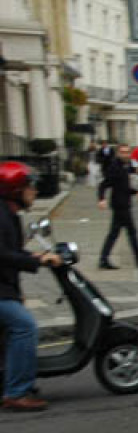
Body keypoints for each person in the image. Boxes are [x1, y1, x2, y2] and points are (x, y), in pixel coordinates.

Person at [0, 161, 63, 411]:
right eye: (29, 186)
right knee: (24, 327)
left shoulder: (10, 215)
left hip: (5, 288)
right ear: (15, 190)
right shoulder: (1, 216)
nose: (34, 191)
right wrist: (33, 261)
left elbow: (11, 252)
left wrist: (35, 257)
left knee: (10, 329)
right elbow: (3, 255)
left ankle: (10, 381)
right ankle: (16, 392)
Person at [97, 144, 138, 270]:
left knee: (116, 233)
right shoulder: (115, 167)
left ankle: (104, 259)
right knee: (130, 233)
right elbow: (104, 184)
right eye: (123, 152)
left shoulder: (124, 166)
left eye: (128, 152)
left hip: (123, 204)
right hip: (120, 205)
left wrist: (136, 192)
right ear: (118, 153)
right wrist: (101, 199)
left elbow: (124, 187)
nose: (126, 155)